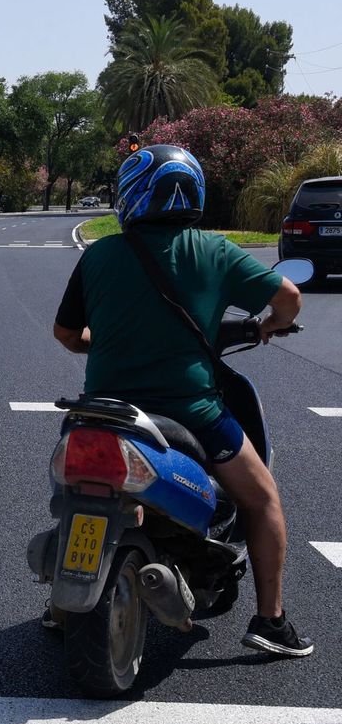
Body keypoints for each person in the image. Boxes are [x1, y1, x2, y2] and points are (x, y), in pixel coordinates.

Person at [52, 144, 310, 657]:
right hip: (193, 412)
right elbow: (289, 298)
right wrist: (268, 325)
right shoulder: (214, 251)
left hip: (104, 412)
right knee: (262, 499)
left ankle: (62, 596)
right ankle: (271, 620)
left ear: (131, 195)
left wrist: (95, 343)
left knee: (75, 491)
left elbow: (66, 333)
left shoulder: (99, 254)